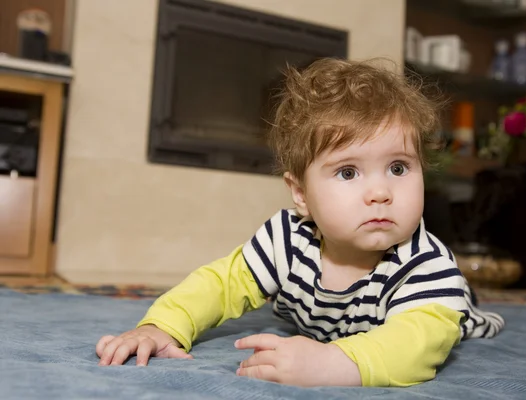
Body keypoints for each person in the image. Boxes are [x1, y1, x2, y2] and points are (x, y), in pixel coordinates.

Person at [95, 58, 504, 387]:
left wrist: (334, 363)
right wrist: (162, 326)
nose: (380, 192)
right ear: (301, 195)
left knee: (454, 317)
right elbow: (221, 284)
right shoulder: (288, 238)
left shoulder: (425, 265)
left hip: (439, 311)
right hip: (333, 316)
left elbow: (417, 344)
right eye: (348, 173)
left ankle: (470, 302)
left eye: (398, 167)